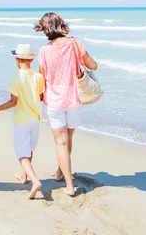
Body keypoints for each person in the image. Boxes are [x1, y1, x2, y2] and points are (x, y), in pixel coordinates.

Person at [34, 12, 98, 196]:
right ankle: (61, 172)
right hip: (73, 99)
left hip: (53, 101)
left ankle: (68, 184)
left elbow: (42, 78)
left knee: (61, 143)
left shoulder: (44, 50)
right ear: (61, 24)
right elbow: (92, 65)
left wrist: (38, 97)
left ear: (45, 29)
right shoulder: (75, 43)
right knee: (68, 140)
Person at [0, 44, 45, 199]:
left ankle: (34, 180)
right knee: (29, 148)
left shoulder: (15, 78)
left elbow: (13, 102)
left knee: (21, 153)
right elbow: (39, 97)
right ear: (30, 60)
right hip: (35, 118)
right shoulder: (39, 77)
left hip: (21, 120)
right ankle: (24, 176)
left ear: (17, 60)